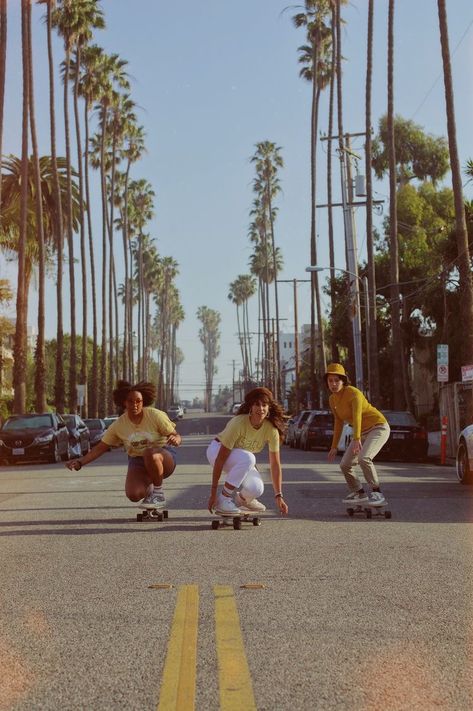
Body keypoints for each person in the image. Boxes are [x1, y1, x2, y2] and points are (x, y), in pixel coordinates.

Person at [66, 381, 182, 509]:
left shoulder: (155, 415)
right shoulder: (118, 425)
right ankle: (150, 489)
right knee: (134, 494)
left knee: (150, 452)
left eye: (138, 401)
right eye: (130, 401)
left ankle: (158, 494)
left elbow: (176, 435)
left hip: (164, 458)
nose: (135, 405)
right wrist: (80, 462)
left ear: (143, 402)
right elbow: (100, 448)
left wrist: (175, 438)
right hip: (138, 461)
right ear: (124, 403)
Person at [207, 387, 289, 516]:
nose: (260, 409)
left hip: (241, 458)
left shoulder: (271, 430)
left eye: (264, 405)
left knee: (256, 488)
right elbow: (220, 459)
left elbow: (275, 464)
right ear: (250, 406)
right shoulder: (238, 423)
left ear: (269, 408)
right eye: (257, 404)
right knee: (249, 458)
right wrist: (213, 494)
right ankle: (224, 499)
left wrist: (279, 496)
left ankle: (243, 500)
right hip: (216, 451)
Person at [325, 363, 390, 506]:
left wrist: (356, 439)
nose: (334, 384)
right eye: (330, 381)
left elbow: (357, 416)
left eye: (337, 380)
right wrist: (334, 446)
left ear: (343, 381)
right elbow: (338, 422)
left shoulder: (354, 393)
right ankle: (359, 493)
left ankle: (377, 493)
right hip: (361, 432)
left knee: (364, 458)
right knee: (345, 464)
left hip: (378, 427)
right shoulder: (332, 399)